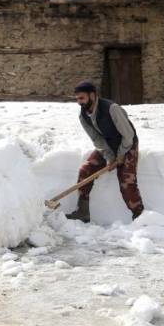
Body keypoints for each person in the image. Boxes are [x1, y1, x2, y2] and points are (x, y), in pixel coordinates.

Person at [66, 81, 144, 223]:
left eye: (82, 98)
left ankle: (140, 217)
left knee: (127, 182)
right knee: (85, 171)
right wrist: (109, 157)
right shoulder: (83, 115)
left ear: (92, 95)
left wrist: (120, 155)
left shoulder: (111, 108)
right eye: (77, 99)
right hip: (107, 145)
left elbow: (128, 135)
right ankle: (83, 212)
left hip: (127, 144)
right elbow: (96, 139)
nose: (79, 102)